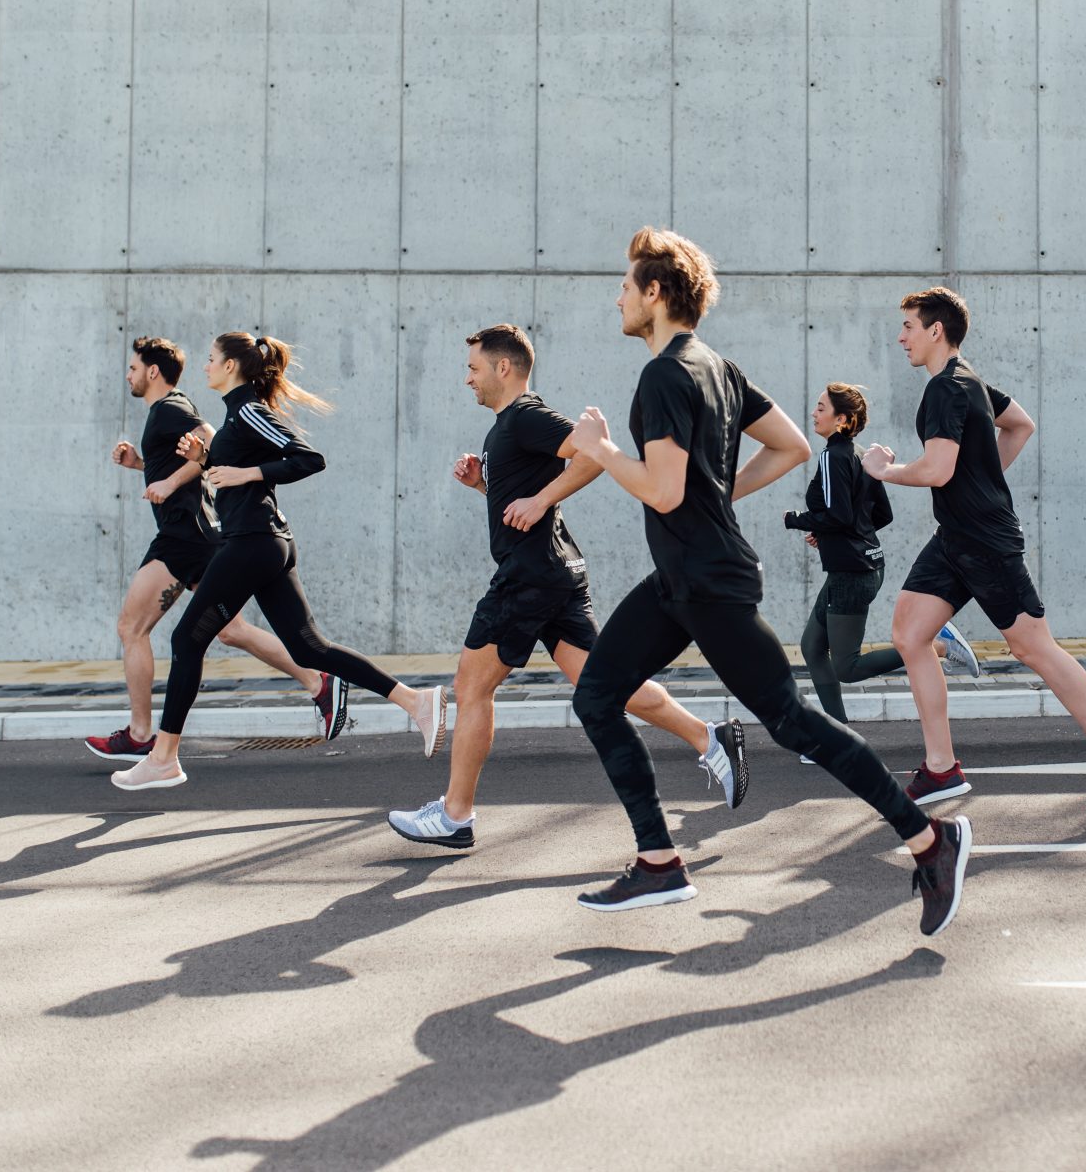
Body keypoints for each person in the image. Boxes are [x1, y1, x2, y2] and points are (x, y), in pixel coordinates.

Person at [566, 228, 969, 936]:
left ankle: (931, 841)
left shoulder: (664, 374)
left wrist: (603, 451)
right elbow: (792, 443)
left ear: (656, 293)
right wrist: (718, 495)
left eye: (627, 285)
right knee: (598, 693)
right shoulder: (716, 366)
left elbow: (663, 491)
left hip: (707, 581)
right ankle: (658, 859)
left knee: (792, 720)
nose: (619, 297)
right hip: (682, 577)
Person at [386, 323, 747, 851]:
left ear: (502, 367)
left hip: (529, 577)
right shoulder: (507, 424)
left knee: (471, 687)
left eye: (473, 368)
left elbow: (591, 453)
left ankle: (455, 814)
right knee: (602, 682)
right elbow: (530, 486)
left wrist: (540, 501)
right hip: (554, 572)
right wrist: (484, 485)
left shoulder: (527, 415)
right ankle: (708, 737)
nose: (468, 379)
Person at [107, 332, 445, 791]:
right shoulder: (234, 415)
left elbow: (308, 458)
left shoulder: (248, 410)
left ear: (230, 368)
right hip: (262, 542)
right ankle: (417, 702)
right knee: (309, 648)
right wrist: (204, 460)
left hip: (253, 542)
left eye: (210, 359)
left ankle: (164, 757)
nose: (204, 366)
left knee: (188, 641)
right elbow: (234, 467)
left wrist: (245, 472)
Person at [864, 287, 1086, 819]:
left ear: (935, 330)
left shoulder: (945, 390)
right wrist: (985, 480)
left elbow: (935, 470)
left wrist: (884, 470)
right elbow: (1021, 424)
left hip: (985, 543)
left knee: (1033, 648)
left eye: (908, 326)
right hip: (954, 539)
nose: (900, 337)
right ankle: (941, 767)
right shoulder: (969, 380)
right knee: (909, 632)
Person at [87, 337, 339, 763]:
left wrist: (168, 483)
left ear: (152, 372)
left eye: (132, 369)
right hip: (199, 535)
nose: (127, 376)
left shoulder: (172, 407)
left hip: (183, 537)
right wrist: (142, 466)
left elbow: (208, 439)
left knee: (132, 628)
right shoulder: (164, 412)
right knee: (231, 630)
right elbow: (197, 455)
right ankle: (319, 683)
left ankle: (141, 733)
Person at [786, 382, 979, 730]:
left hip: (851, 575)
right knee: (812, 647)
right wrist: (831, 535)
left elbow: (839, 515)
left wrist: (796, 521)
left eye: (820, 408)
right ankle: (837, 733)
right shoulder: (862, 456)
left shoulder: (832, 456)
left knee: (847, 667)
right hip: (863, 567)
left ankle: (937, 646)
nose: (813, 414)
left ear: (841, 420)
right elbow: (880, 515)